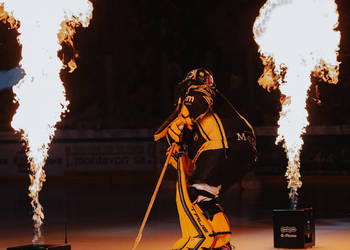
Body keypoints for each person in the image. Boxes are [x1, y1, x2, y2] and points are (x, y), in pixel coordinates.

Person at [154, 68, 257, 250]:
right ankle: (222, 243)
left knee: (195, 195)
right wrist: (180, 147)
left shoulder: (199, 90)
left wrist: (181, 122)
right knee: (205, 198)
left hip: (222, 144)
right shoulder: (212, 114)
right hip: (244, 150)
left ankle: (199, 241)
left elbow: (198, 101)